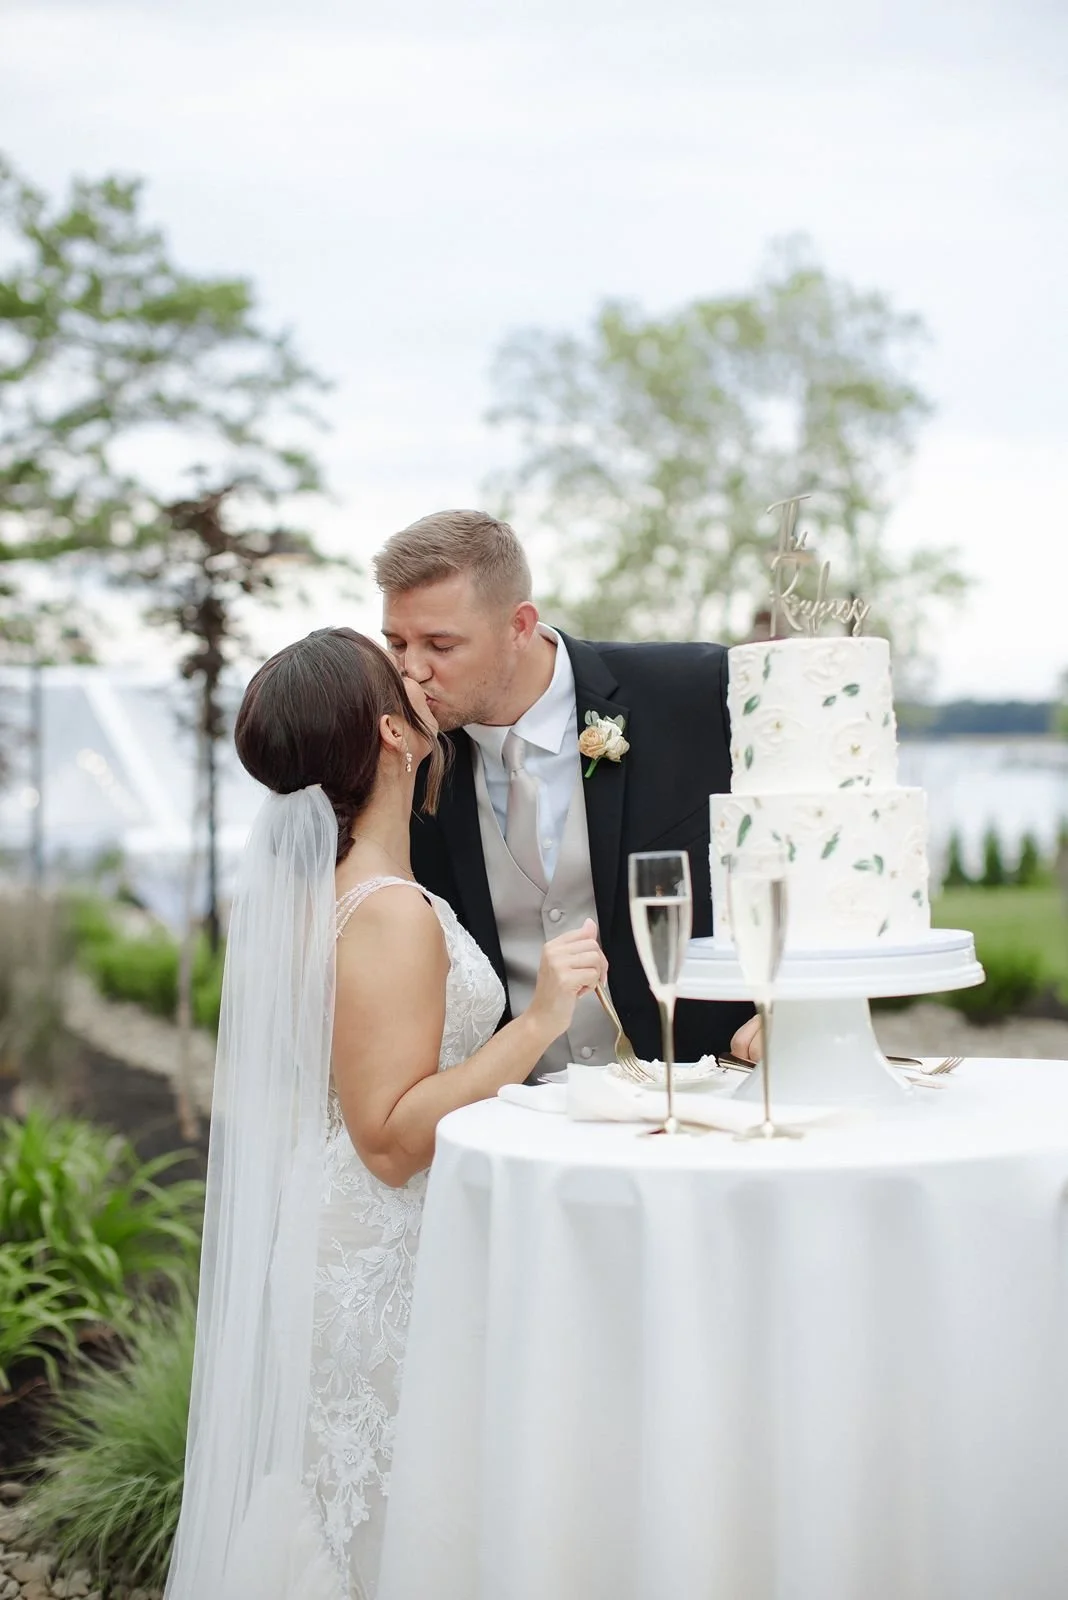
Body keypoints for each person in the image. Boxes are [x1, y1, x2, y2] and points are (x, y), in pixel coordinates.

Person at [164, 628, 607, 1600]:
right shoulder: (387, 910)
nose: (423, 683)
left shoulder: (320, 895)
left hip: (356, 1240)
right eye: (402, 677)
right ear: (393, 737)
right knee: (383, 1526)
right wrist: (537, 1022)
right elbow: (391, 1136)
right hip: (380, 1254)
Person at [373, 509, 754, 1077]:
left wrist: (797, 1004)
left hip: (712, 1089)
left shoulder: (696, 691)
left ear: (520, 626)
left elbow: (813, 842)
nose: (412, 672)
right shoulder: (404, 763)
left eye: (441, 645)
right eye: (397, 643)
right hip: (516, 1114)